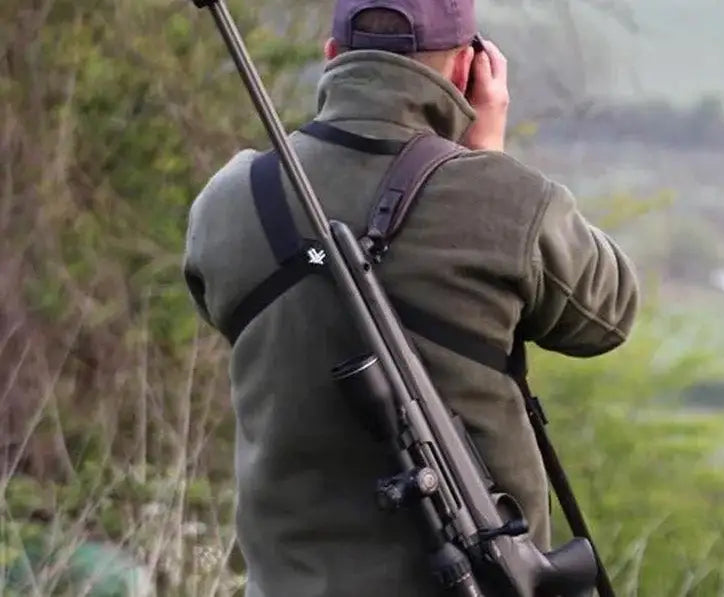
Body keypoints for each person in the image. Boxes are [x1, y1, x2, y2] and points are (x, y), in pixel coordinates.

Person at [180, 0, 640, 595]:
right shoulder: (513, 203)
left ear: (331, 58)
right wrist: (487, 162)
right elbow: (607, 316)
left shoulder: (228, 200)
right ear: (468, 73)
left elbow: (219, 307)